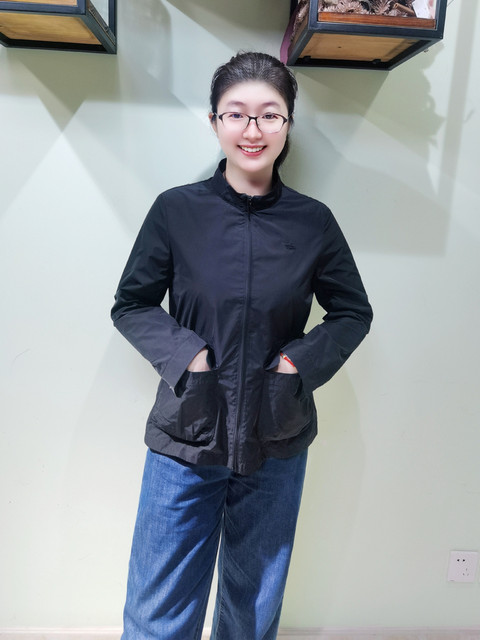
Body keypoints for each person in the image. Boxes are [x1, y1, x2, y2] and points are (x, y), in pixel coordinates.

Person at [111, 51, 373, 640]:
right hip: (187, 431)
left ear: (287, 124)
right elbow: (131, 304)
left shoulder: (314, 222)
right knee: (158, 608)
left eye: (269, 115)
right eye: (236, 113)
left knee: (253, 607)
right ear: (215, 122)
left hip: (275, 435)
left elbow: (353, 313)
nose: (252, 130)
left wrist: (294, 366)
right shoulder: (176, 211)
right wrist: (189, 358)